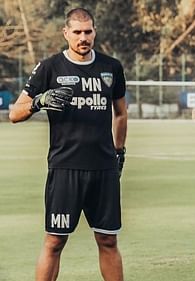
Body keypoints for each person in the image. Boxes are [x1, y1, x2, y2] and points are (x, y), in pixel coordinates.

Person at [9, 8, 127, 281]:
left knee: (108, 241)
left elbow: (120, 113)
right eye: (77, 32)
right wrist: (39, 101)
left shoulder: (111, 67)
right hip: (65, 170)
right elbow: (15, 113)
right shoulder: (50, 67)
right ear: (66, 33)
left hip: (103, 171)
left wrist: (119, 153)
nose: (83, 38)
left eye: (88, 32)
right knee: (54, 242)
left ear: (95, 31)